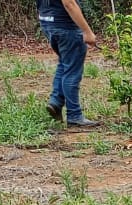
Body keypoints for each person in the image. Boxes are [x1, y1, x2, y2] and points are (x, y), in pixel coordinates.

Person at [38, 0, 100, 130]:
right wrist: (87, 32)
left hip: (48, 22)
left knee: (65, 63)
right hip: (65, 26)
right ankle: (74, 115)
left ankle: (56, 101)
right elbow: (69, 3)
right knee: (72, 71)